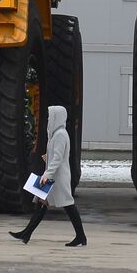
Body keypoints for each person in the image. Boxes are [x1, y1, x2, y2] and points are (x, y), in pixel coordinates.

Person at [10, 105, 86, 247]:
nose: (49, 119)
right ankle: (26, 233)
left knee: (68, 205)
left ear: (58, 118)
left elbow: (58, 158)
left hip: (57, 178)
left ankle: (81, 236)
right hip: (53, 176)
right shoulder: (57, 134)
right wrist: (48, 157)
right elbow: (57, 155)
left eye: (51, 116)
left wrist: (47, 174)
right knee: (42, 203)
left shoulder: (60, 135)